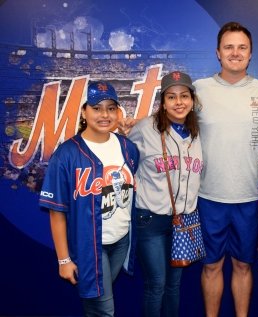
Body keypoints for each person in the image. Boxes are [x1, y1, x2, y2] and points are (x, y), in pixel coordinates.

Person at [193, 21, 258, 317]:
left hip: (249, 198)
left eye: (242, 47)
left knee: (244, 265)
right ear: (218, 53)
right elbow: (170, 129)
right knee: (211, 265)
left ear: (251, 53)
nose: (235, 52)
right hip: (207, 196)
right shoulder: (198, 90)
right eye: (228, 47)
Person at [39, 81, 139, 317]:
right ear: (84, 111)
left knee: (96, 302)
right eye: (96, 107)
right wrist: (64, 260)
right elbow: (57, 212)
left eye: (111, 108)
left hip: (121, 241)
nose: (105, 114)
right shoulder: (66, 154)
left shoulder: (128, 148)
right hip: (89, 247)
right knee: (104, 309)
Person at [127, 71, 202, 317]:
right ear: (163, 101)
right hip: (150, 219)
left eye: (184, 96)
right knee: (156, 284)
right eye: (171, 97)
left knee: (174, 285)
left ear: (192, 99)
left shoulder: (198, 132)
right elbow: (122, 160)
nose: (178, 102)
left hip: (182, 220)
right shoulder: (144, 129)